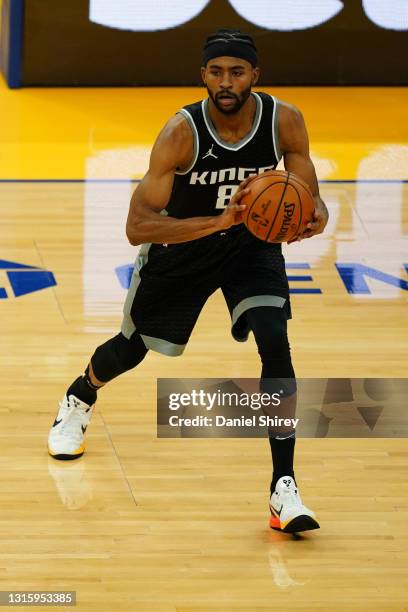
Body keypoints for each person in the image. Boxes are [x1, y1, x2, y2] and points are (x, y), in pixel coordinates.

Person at [48, 29, 328, 534]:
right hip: (182, 249)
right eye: (216, 71)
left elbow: (304, 180)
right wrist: (217, 222)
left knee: (275, 342)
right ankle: (80, 395)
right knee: (131, 350)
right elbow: (138, 226)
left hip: (250, 248)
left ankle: (283, 487)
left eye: (236, 71)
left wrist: (316, 210)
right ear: (203, 75)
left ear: (254, 76)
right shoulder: (181, 132)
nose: (226, 82)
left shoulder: (284, 120)